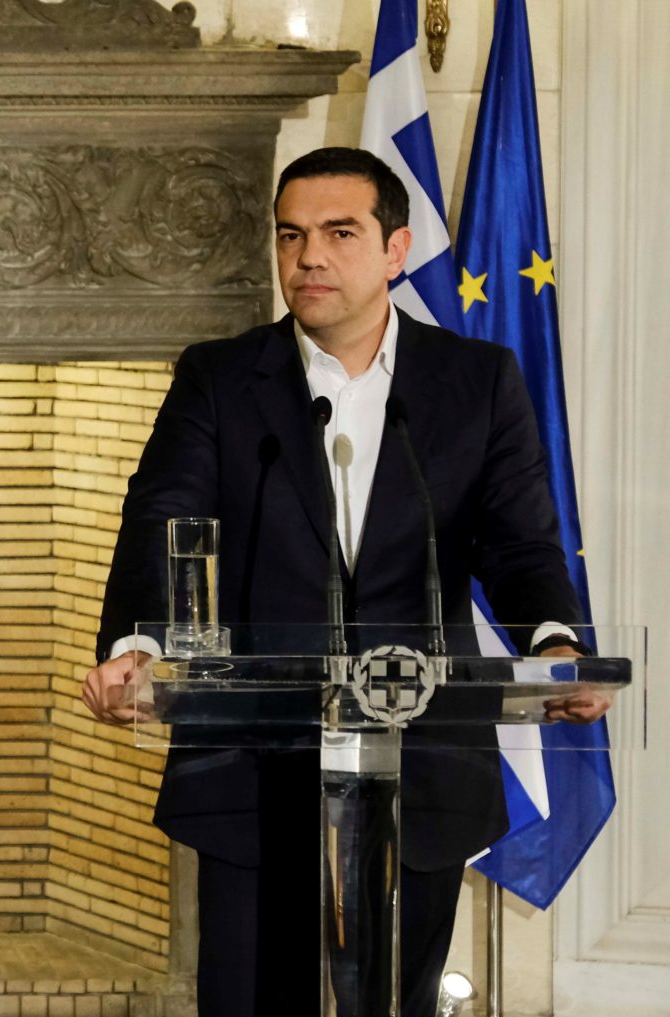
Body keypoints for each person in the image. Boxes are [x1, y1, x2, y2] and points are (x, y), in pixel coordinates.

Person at [78, 147, 609, 1017]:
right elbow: (164, 519)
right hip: (254, 766)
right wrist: (138, 643)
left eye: (339, 233)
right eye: (290, 235)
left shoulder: (476, 381)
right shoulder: (219, 377)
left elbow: (520, 543)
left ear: (397, 249)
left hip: (422, 759)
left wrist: (556, 641)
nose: (308, 257)